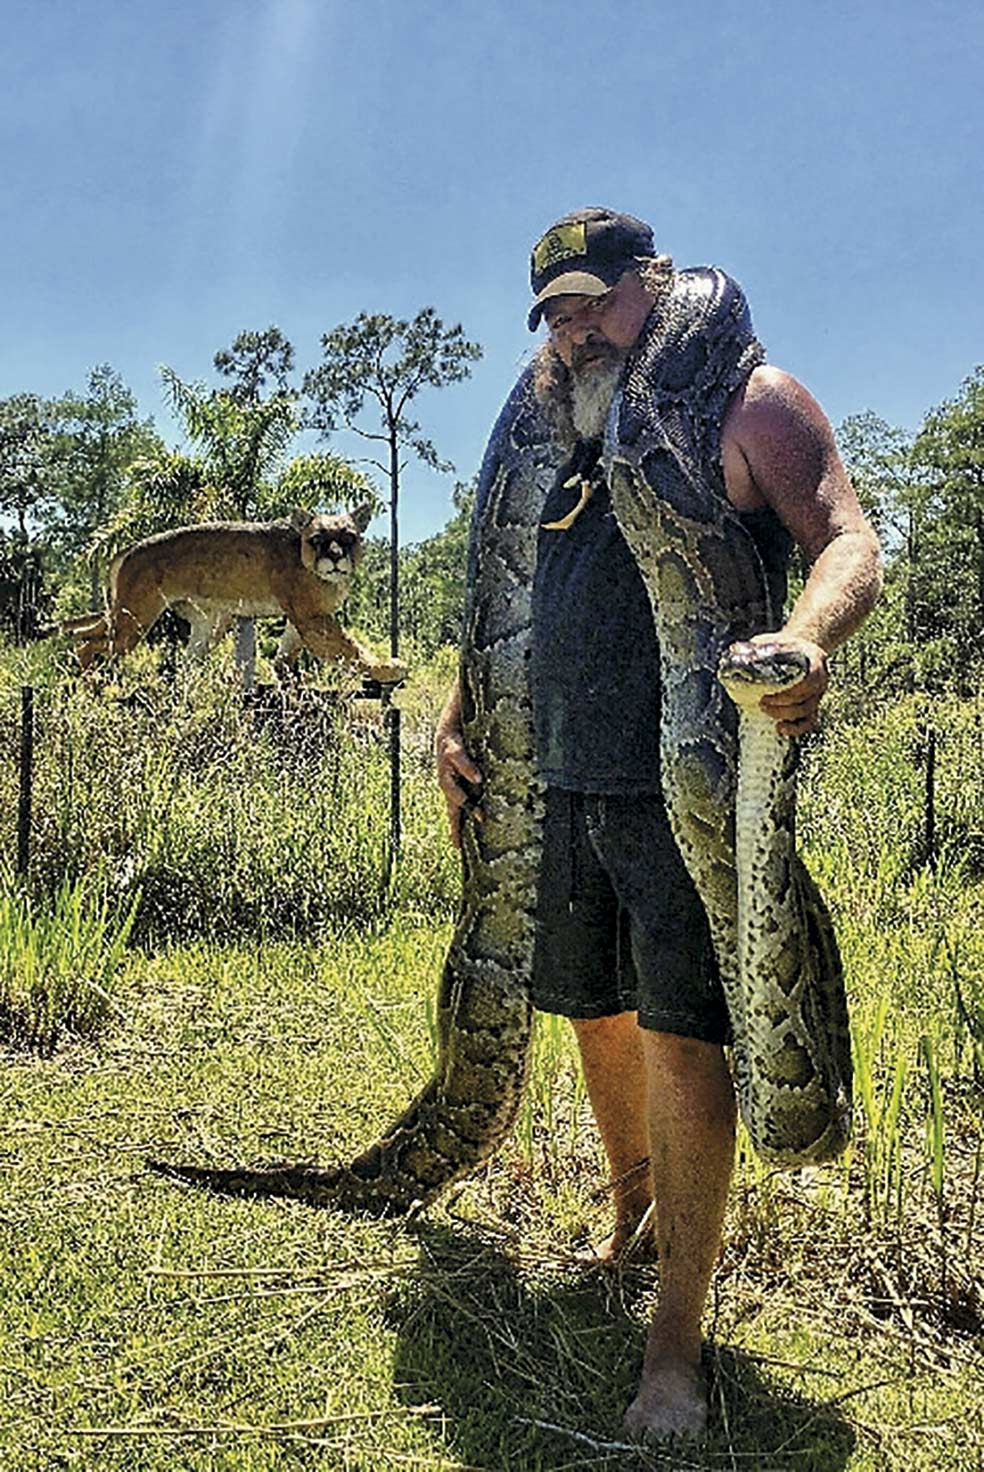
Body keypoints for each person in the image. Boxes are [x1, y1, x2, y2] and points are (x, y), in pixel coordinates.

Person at [435, 208, 881, 1441]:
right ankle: (632, 1217)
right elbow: (503, 582)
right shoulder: (553, 428)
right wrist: (458, 711)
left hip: (689, 788)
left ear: (656, 282)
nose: (576, 330)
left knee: (686, 1037)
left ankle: (676, 1345)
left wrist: (808, 640)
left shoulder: (749, 399)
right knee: (593, 1006)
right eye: (556, 314)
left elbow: (847, 540)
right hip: (561, 770)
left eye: (594, 301)